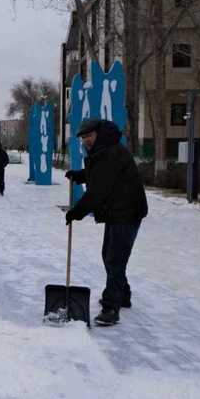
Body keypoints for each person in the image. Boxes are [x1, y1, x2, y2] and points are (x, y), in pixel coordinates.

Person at [65, 118, 148, 326]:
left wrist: (76, 212)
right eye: (83, 138)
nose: (86, 141)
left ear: (98, 134)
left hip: (127, 212)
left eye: (89, 136)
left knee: (114, 258)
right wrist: (81, 175)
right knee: (111, 255)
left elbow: (97, 192)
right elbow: (98, 175)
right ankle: (123, 294)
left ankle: (111, 307)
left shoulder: (111, 152)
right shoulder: (105, 150)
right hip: (117, 212)